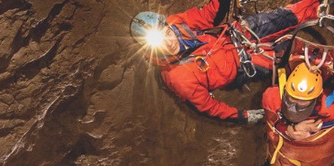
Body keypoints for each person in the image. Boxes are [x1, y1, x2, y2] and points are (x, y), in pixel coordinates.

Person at [130, 0, 323, 123]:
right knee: (285, 55)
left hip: (236, 36)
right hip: (242, 65)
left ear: (167, 26)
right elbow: (209, 107)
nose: (168, 42)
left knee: (281, 18)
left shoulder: (177, 23)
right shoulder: (178, 79)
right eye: (159, 43)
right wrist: (243, 116)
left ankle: (317, 7)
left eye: (166, 33)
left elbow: (209, 15)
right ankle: (318, 62)